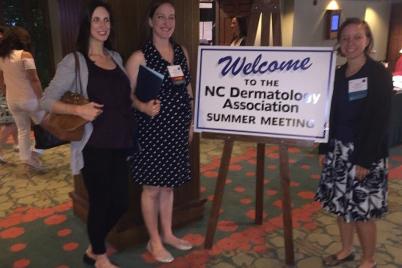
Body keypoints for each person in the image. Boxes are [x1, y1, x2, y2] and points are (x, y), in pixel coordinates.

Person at [40, 1, 134, 267]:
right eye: (96, 20)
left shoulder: (115, 57)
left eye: (106, 20)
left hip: (120, 142)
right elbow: (46, 100)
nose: (103, 26)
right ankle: (100, 257)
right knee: (101, 201)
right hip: (94, 145)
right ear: (86, 24)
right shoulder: (75, 61)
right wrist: (78, 111)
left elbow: (124, 96)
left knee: (121, 202)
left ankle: (94, 247)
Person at [315, 18, 392, 268]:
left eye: (357, 37)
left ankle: (368, 260)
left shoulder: (378, 74)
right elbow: (328, 113)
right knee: (340, 206)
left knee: (363, 212)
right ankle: (346, 249)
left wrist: (364, 159)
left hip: (364, 155)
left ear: (367, 40)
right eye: (346, 38)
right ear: (340, 42)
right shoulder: (338, 74)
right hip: (338, 151)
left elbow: (379, 122)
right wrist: (325, 147)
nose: (351, 43)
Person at [125, 0, 193, 263]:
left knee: (168, 186)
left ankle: (167, 233)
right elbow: (126, 96)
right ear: (151, 21)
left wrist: (190, 122)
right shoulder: (140, 56)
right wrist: (143, 106)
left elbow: (188, 90)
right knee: (152, 188)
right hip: (152, 131)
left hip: (177, 130)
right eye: (161, 17)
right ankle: (154, 240)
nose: (167, 23)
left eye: (171, 17)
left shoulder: (181, 52)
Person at [0, 26, 44, 170]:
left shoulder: (2, 57)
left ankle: (27, 159)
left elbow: (1, 80)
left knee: (23, 130)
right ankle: (36, 152)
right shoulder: (25, 55)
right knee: (46, 125)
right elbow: (34, 79)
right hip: (29, 99)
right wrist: (42, 98)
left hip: (12, 100)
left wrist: (6, 93)